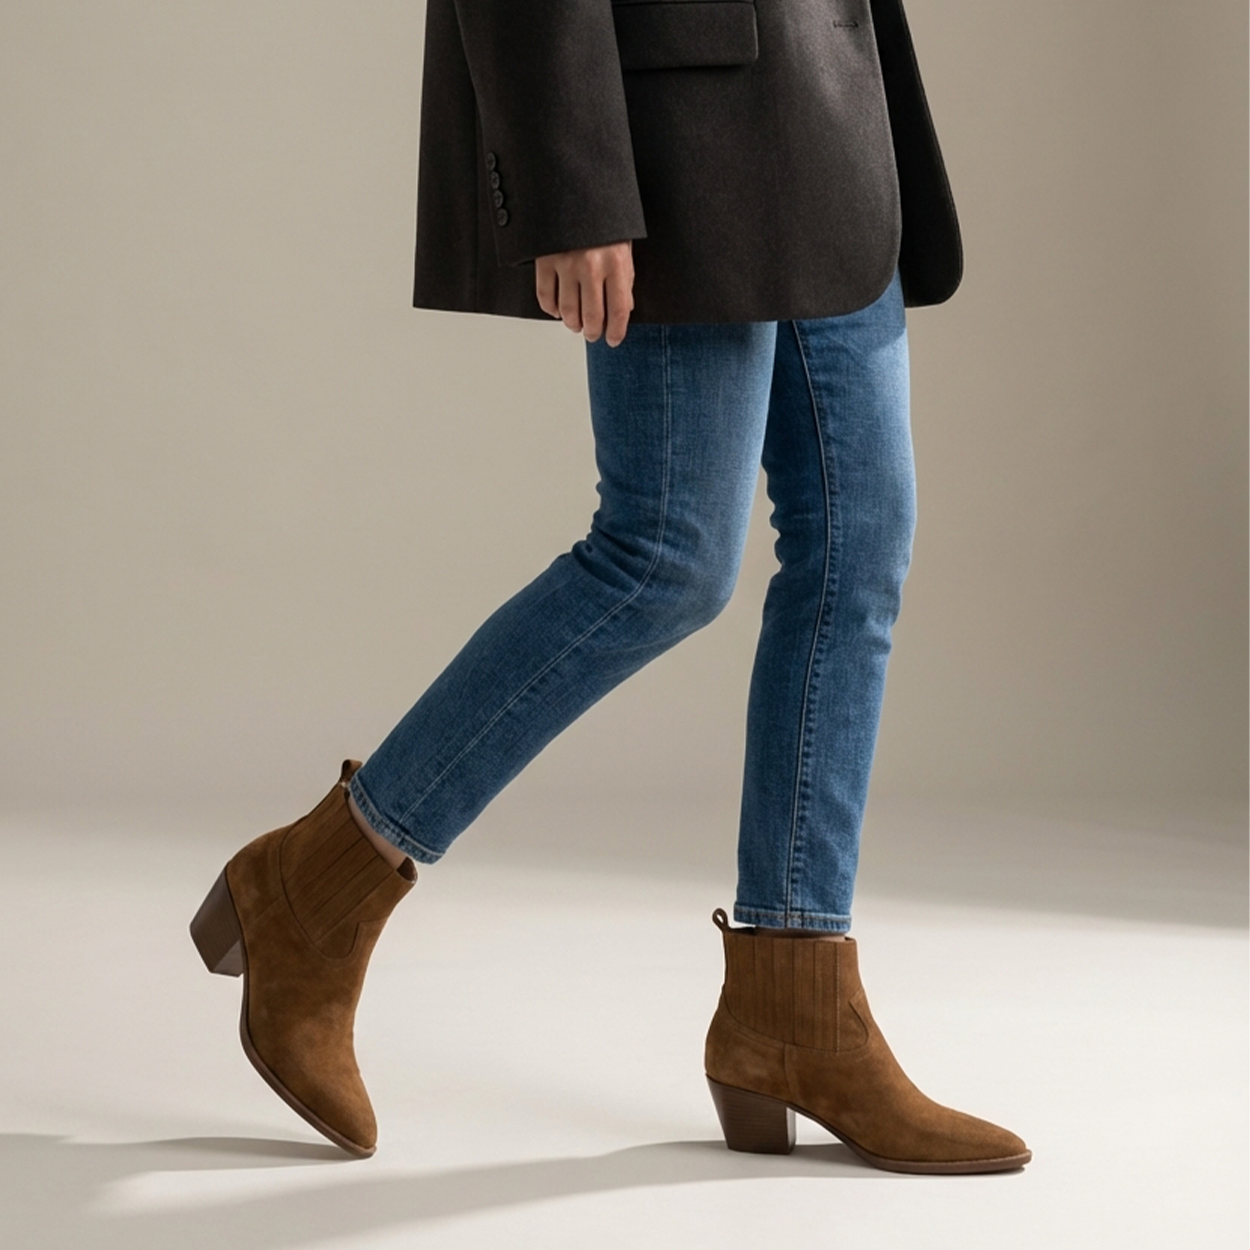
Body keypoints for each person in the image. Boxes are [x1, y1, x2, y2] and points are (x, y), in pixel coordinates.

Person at [190, 0, 1031, 1174]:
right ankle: (316, 885)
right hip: (675, 128)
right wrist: (573, 185)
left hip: (827, 106)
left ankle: (795, 1007)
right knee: (663, 555)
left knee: (859, 544)